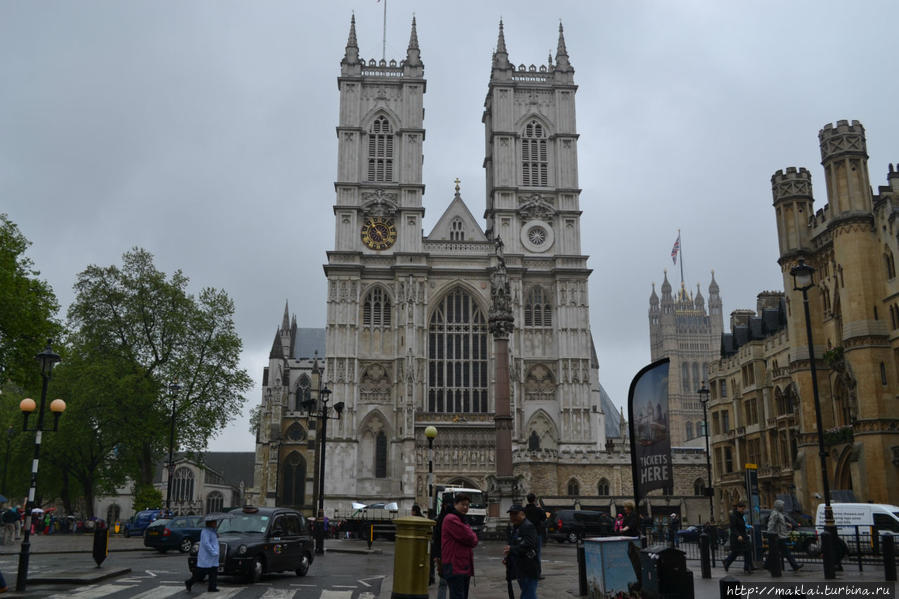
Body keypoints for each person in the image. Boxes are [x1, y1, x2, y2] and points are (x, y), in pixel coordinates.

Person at [440, 494, 478, 599]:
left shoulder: (461, 518)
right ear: (455, 504)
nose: (466, 507)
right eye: (463, 504)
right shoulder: (452, 519)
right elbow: (472, 538)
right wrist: (472, 535)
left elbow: (471, 537)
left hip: (462, 566)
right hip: (455, 566)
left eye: (467, 505)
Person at [504, 504, 540, 599]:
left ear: (522, 514)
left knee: (528, 595)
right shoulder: (515, 527)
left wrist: (511, 549)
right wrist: (508, 558)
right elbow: (513, 544)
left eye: (515, 514)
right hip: (521, 568)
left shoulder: (528, 526)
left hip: (529, 568)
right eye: (511, 514)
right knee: (527, 593)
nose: (512, 517)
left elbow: (528, 544)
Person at [185, 518, 220, 592]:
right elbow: (206, 543)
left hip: (213, 557)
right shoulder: (205, 531)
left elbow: (214, 542)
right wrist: (213, 552)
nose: (216, 523)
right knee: (200, 574)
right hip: (206, 557)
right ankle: (189, 582)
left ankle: (212, 587)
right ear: (210, 523)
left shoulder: (213, 531)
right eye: (214, 522)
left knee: (213, 572)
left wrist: (216, 535)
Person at [767, 500, 802, 571]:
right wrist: (771, 533)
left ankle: (794, 565)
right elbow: (771, 524)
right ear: (778, 506)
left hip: (781, 535)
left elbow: (779, 522)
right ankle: (794, 565)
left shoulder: (779, 513)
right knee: (779, 552)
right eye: (782, 505)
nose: (783, 507)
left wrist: (786, 524)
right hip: (777, 536)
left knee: (779, 551)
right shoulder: (775, 514)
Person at [723, 501, 752, 574]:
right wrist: (738, 535)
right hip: (736, 537)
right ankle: (727, 563)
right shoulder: (733, 516)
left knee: (747, 551)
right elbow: (733, 527)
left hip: (743, 536)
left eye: (744, 508)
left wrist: (748, 527)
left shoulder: (741, 515)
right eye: (742, 508)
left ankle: (747, 567)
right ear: (738, 508)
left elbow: (742, 525)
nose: (743, 510)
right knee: (735, 552)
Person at [523, 493, 546, 579]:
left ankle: (527, 572)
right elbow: (544, 518)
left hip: (526, 534)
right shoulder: (538, 510)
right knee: (537, 554)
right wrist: (540, 508)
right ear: (535, 500)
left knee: (526, 553)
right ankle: (537, 573)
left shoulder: (524, 510)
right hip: (536, 534)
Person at [431, 502, 450, 599]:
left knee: (443, 584)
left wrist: (436, 555)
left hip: (443, 555)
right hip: (446, 556)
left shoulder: (440, 519)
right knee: (446, 583)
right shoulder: (453, 519)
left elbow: (436, 539)